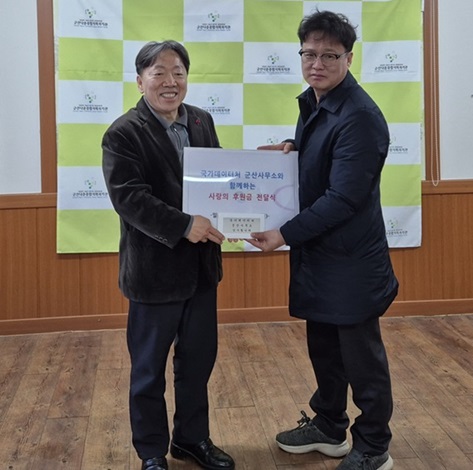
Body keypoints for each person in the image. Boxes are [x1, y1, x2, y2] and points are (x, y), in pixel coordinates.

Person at [247, 10, 398, 470]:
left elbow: (342, 198)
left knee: (361, 358)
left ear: (349, 59)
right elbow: (325, 164)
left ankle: (373, 446)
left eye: (329, 55)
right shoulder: (317, 103)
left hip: (351, 262)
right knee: (325, 348)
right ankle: (330, 427)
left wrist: (283, 234)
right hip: (321, 256)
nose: (317, 63)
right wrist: (293, 152)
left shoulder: (360, 116)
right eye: (309, 53)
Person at [102, 40, 235, 470]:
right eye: (158, 73)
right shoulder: (123, 133)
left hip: (201, 271)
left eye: (178, 72)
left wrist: (261, 171)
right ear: (140, 81)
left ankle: (192, 440)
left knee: (197, 363)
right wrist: (183, 225)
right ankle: (152, 451)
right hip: (154, 273)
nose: (170, 81)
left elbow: (219, 176)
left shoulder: (201, 120)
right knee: (148, 370)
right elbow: (130, 199)